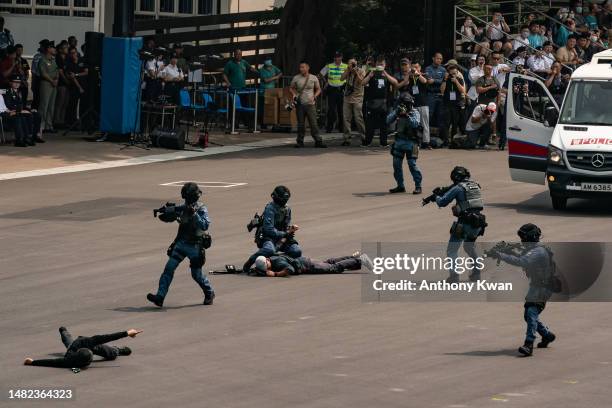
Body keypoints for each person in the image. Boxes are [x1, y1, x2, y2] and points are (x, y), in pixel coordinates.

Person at [487, 224, 557, 357]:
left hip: (542, 288)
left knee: (531, 312)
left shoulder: (538, 251)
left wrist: (501, 255)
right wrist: (507, 252)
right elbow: (522, 257)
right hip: (537, 286)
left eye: (524, 237)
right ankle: (547, 335)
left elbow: (522, 261)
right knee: (529, 315)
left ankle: (528, 344)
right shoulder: (533, 249)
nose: (522, 241)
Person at [147, 183, 215, 308]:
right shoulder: (184, 207)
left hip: (195, 246)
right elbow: (175, 212)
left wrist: (194, 214)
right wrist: (164, 211)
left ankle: (209, 292)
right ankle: (160, 297)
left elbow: (205, 225)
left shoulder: (201, 208)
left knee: (196, 275)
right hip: (181, 243)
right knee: (169, 269)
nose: (185, 201)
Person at [434, 166, 486, 282]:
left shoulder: (458, 188)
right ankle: (476, 274)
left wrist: (436, 196)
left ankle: (454, 277)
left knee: (452, 250)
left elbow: (442, 202)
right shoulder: (475, 185)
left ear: (455, 177)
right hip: (478, 223)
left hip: (464, 224)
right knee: (469, 246)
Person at [242, 185, 302, 273]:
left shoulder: (287, 209)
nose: (285, 201)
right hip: (268, 237)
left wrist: (290, 230)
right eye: (283, 198)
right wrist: (285, 234)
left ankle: (277, 261)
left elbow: (286, 226)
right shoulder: (270, 209)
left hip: (281, 237)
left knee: (296, 251)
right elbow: (268, 230)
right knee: (269, 250)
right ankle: (251, 261)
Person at [24, 327, 142, 369]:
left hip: (85, 343)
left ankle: (118, 351)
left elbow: (107, 337)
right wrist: (33, 362)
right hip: (75, 347)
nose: (91, 361)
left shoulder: (88, 342)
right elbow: (53, 362)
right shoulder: (70, 360)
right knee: (69, 342)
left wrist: (126, 333)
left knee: (106, 350)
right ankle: (64, 331)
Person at [389, 94, 422, 195]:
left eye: (405, 104)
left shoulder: (415, 112)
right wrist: (396, 113)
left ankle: (418, 186)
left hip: (412, 143)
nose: (403, 106)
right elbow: (388, 120)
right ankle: (400, 185)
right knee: (396, 165)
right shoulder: (398, 111)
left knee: (412, 165)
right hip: (399, 142)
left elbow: (415, 123)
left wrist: (407, 115)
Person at [252, 251, 373, 277]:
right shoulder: (271, 258)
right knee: (329, 262)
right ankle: (353, 258)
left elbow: (290, 270)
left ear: (268, 261)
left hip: (306, 266)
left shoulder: (278, 262)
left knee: (333, 268)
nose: (267, 268)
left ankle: (360, 259)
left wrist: (276, 274)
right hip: (304, 260)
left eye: (267, 266)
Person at [290, 61, 326, 148]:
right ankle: (300, 141)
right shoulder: (296, 78)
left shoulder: (313, 78)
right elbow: (291, 88)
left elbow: (318, 89)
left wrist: (314, 96)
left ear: (308, 68)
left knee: (313, 124)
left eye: (303, 67)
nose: (301, 69)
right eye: (300, 67)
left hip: (310, 104)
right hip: (300, 104)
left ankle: (318, 141)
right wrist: (294, 94)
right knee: (301, 124)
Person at [363, 56, 393, 146]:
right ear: (375, 64)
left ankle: (383, 142)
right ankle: (367, 142)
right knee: (370, 124)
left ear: (385, 65)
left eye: (382, 64)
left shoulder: (387, 73)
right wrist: (369, 76)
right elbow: (362, 83)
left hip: (383, 102)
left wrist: (385, 74)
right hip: (372, 101)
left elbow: (395, 82)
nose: (380, 66)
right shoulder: (371, 72)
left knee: (383, 124)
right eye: (379, 64)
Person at [5, 75, 43, 146]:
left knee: (37, 114)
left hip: (20, 111)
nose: (17, 84)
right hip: (12, 113)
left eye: (18, 82)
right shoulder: (8, 92)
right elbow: (8, 106)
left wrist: (30, 109)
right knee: (25, 116)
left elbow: (22, 105)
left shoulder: (19, 92)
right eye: (15, 82)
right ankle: (24, 138)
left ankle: (34, 136)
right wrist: (21, 110)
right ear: (11, 83)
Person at [340, 57, 366, 146]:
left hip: (357, 98)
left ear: (356, 63)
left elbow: (361, 81)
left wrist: (356, 72)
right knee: (346, 118)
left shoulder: (361, 71)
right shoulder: (347, 70)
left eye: (353, 63)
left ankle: (364, 137)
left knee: (358, 118)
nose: (352, 65)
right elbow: (341, 78)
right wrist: (348, 70)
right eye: (350, 63)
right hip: (347, 97)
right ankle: (347, 138)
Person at [320, 51, 347, 133]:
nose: (336, 59)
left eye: (338, 57)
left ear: (341, 57)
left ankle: (341, 128)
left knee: (341, 110)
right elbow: (321, 74)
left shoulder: (346, 66)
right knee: (331, 110)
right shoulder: (329, 65)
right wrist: (326, 82)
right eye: (335, 57)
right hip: (332, 89)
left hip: (341, 89)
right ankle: (329, 128)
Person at [439, 64, 466, 144]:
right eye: (452, 73)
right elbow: (442, 91)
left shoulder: (460, 79)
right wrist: (445, 79)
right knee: (446, 123)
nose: (453, 75)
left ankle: (453, 140)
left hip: (456, 104)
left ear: (457, 72)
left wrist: (456, 81)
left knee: (455, 123)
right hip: (447, 103)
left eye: (455, 73)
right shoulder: (446, 79)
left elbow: (463, 91)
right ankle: (446, 140)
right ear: (449, 73)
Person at [38, 42, 59, 134]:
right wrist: (51, 80)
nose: (54, 49)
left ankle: (49, 126)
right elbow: (43, 73)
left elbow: (57, 70)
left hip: (54, 84)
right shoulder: (42, 60)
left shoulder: (53, 60)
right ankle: (40, 126)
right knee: (44, 105)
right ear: (48, 49)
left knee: (51, 105)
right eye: (52, 48)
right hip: (46, 84)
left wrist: (57, 79)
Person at [425, 53, 446, 133]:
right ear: (433, 58)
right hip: (431, 94)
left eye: (441, 59)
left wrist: (434, 80)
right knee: (429, 114)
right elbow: (429, 80)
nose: (439, 60)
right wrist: (438, 81)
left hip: (440, 95)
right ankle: (426, 135)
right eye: (438, 58)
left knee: (440, 115)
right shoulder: (428, 69)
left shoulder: (443, 69)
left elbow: (444, 80)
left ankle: (440, 136)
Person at [65, 46, 86, 126]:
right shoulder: (69, 64)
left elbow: (86, 72)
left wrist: (77, 74)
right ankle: (74, 122)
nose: (73, 54)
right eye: (71, 53)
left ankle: (82, 122)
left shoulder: (82, 60)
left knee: (82, 105)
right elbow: (72, 77)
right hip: (75, 87)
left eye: (74, 52)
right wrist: (79, 87)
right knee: (73, 106)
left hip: (84, 85)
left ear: (77, 52)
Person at [54, 41, 70, 129]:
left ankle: (62, 121)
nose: (67, 49)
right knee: (59, 103)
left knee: (65, 103)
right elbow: (60, 72)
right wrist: (66, 80)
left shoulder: (67, 58)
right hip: (61, 83)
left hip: (68, 83)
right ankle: (56, 121)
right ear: (60, 49)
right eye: (65, 48)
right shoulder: (58, 58)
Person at [31, 39, 50, 110]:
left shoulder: (50, 56)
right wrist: (33, 83)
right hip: (38, 79)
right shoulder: (37, 56)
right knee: (37, 99)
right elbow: (34, 71)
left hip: (48, 80)